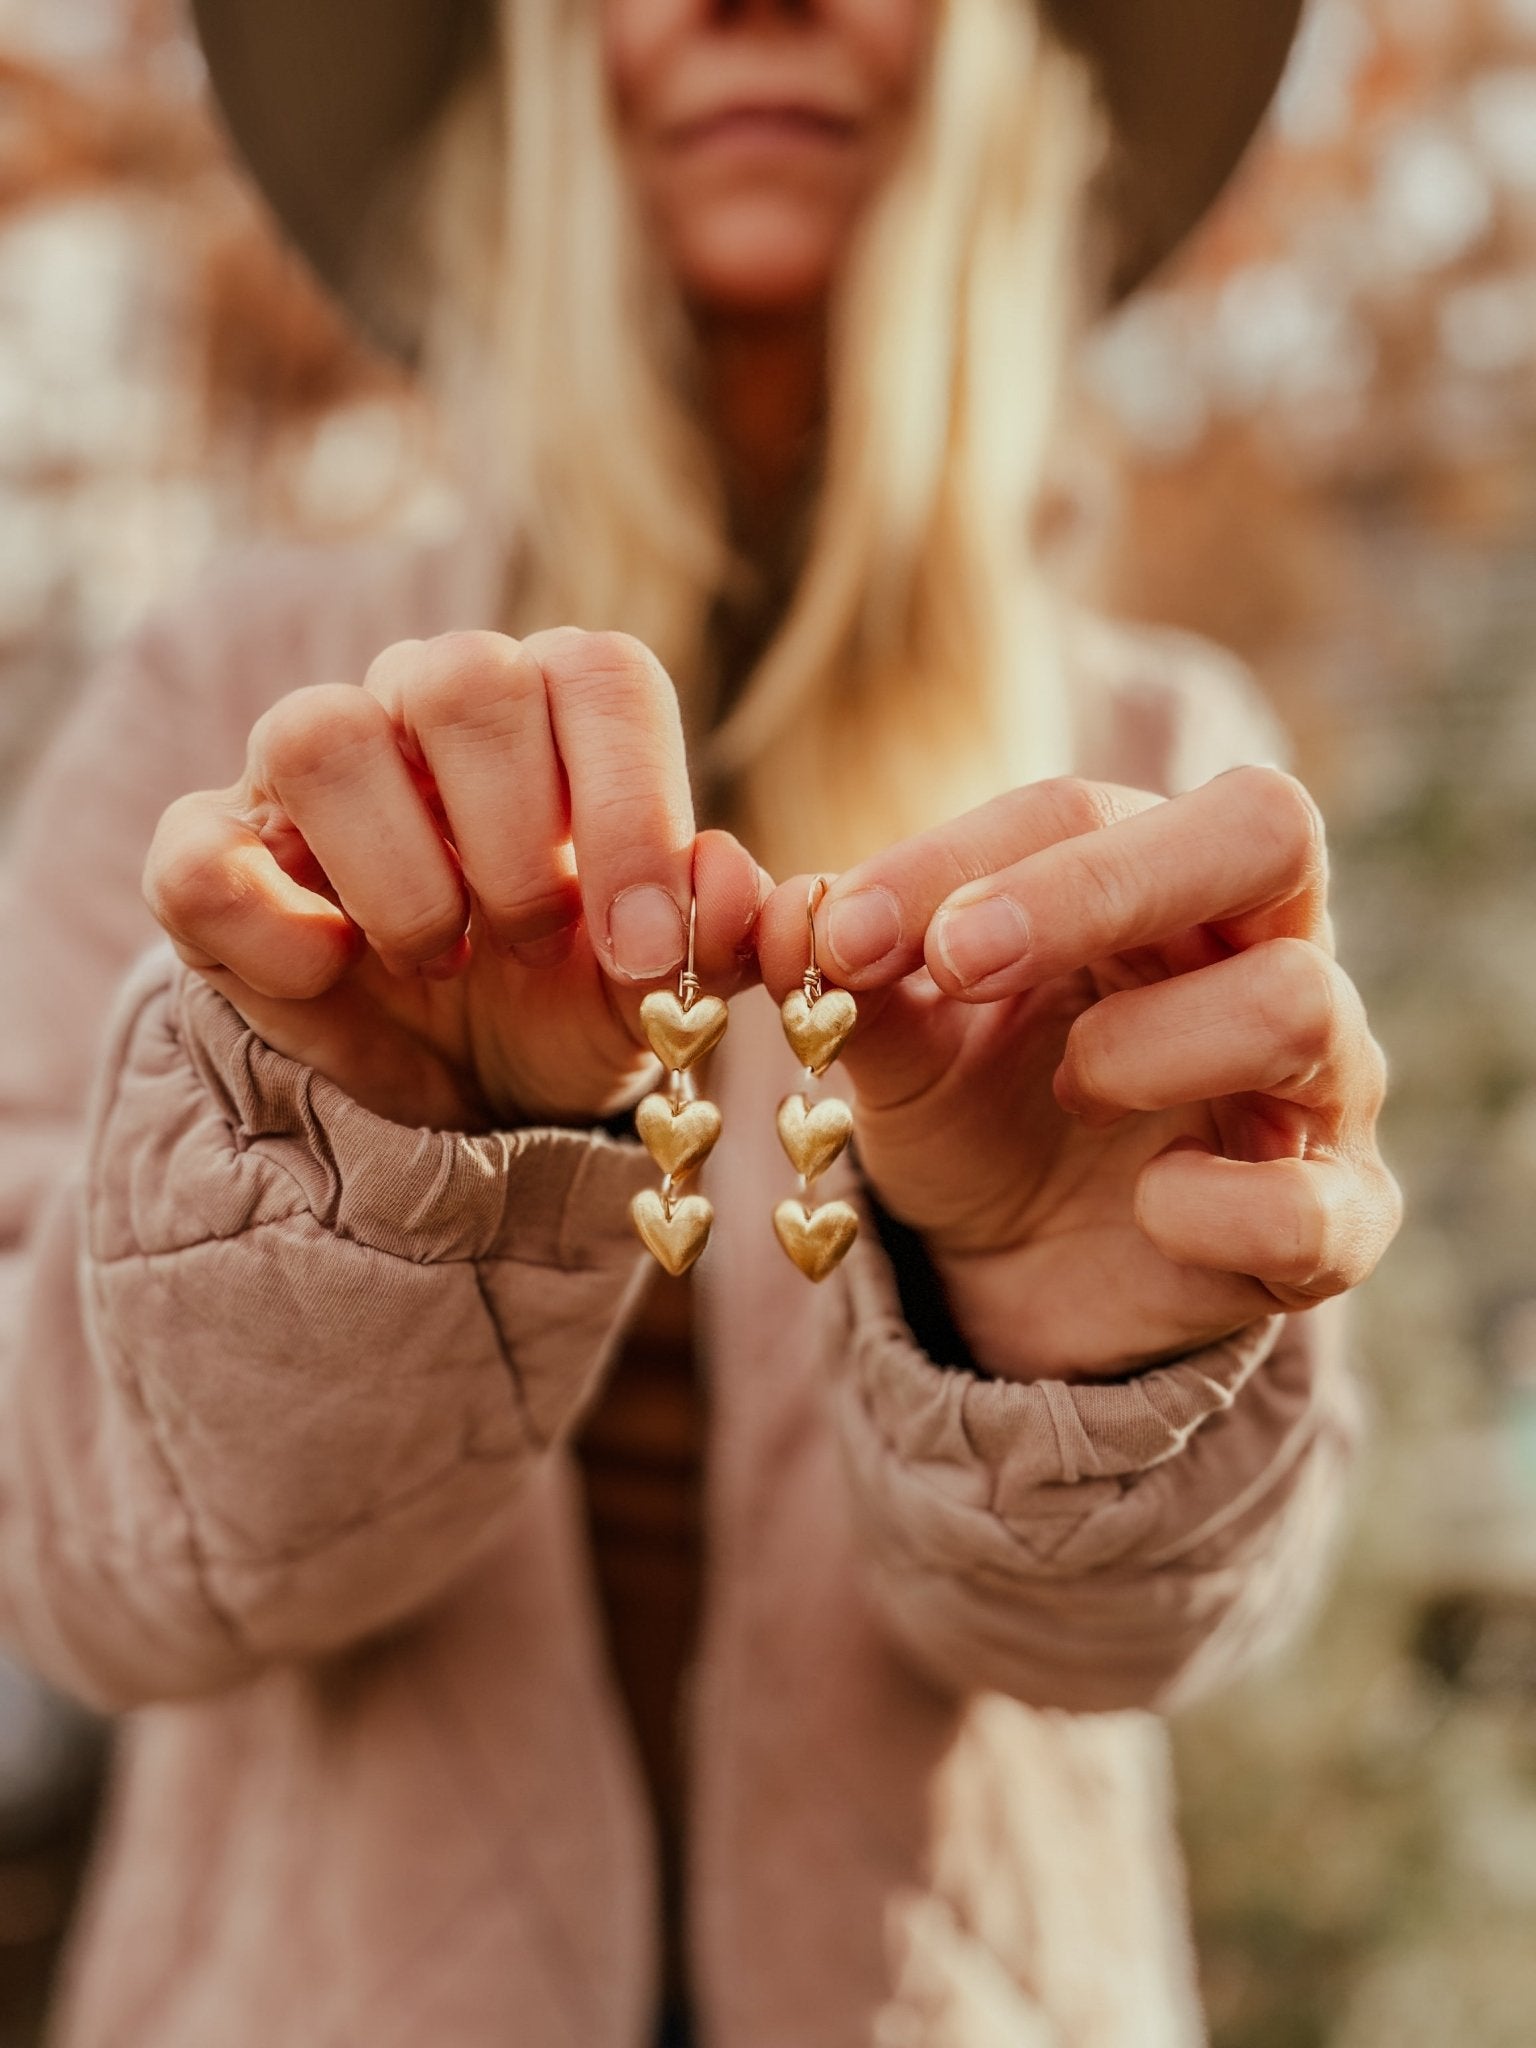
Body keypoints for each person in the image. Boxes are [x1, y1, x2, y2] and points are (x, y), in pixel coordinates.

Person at [0, 0, 1400, 2041]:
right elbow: (69, 1562)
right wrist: (358, 1162)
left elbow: (1173, 1626)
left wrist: (1092, 1353)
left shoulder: (1164, 767)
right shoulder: (229, 709)